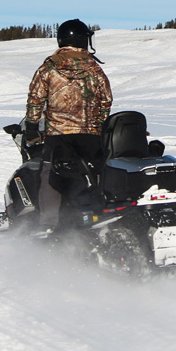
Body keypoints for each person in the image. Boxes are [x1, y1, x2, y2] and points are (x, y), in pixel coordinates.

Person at [25, 19, 113, 230]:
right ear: (83, 39)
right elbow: (106, 100)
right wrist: (98, 125)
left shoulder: (48, 68)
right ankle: (94, 216)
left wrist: (31, 127)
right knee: (92, 173)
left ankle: (47, 224)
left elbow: (35, 99)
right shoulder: (94, 69)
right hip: (90, 136)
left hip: (58, 135)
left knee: (49, 174)